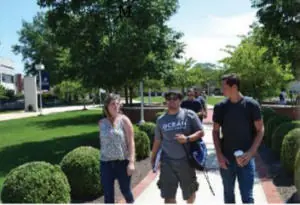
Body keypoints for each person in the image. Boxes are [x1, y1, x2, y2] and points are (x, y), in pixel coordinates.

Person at [212, 74, 264, 203]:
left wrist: (251, 152)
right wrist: (219, 155)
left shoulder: (251, 105)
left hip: (246, 159)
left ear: (234, 87)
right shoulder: (220, 107)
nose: (221, 90)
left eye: (224, 87)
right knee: (228, 196)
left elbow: (260, 130)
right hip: (226, 160)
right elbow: (215, 131)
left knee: (247, 197)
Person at [151, 89, 205, 204]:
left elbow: (201, 132)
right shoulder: (161, 120)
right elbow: (157, 140)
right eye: (169, 99)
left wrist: (187, 139)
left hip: (186, 161)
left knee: (190, 193)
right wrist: (153, 157)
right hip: (167, 163)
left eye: (175, 98)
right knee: (168, 196)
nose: (171, 101)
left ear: (180, 100)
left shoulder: (189, 115)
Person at [98, 93, 135, 203]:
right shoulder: (101, 123)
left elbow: (131, 142)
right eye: (112, 104)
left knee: (126, 191)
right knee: (108, 195)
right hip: (105, 164)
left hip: (122, 163)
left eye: (117, 104)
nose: (115, 106)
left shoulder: (124, 120)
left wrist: (131, 162)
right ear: (107, 106)